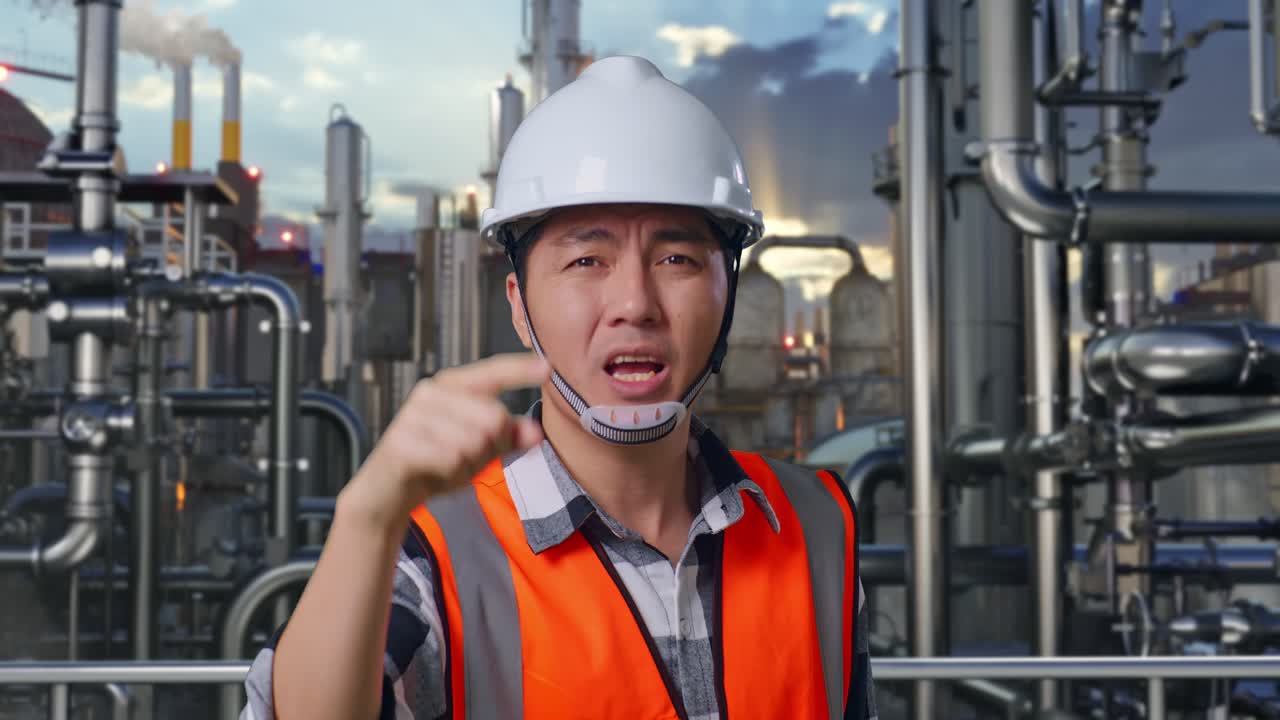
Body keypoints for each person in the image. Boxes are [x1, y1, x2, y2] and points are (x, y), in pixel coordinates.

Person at [242, 55, 876, 720]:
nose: (635, 302)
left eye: (677, 259)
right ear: (519, 305)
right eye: (586, 260)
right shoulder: (432, 552)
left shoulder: (814, 524)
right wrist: (367, 515)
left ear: (729, 292)